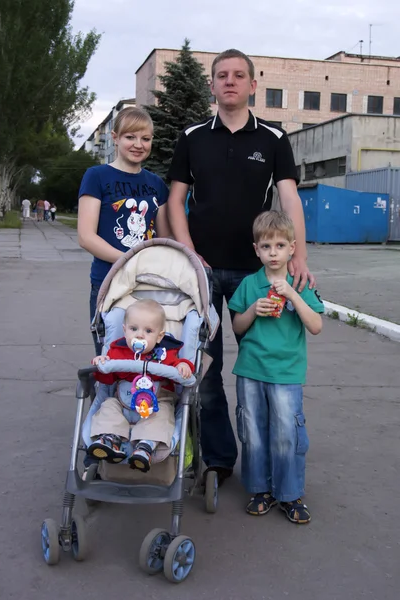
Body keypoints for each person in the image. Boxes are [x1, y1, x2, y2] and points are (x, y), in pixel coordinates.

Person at [167, 48, 316, 487]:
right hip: (204, 272)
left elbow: (289, 199)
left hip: (259, 274)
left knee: (264, 368)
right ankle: (218, 460)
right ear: (212, 86)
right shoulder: (193, 137)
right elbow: (176, 200)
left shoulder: (273, 139)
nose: (229, 81)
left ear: (253, 84)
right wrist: (190, 251)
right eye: (221, 76)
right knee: (206, 371)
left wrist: (300, 256)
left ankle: (273, 460)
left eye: (238, 75)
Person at [228, 211, 323, 523]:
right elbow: (238, 327)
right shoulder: (248, 285)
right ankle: (259, 489)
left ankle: (290, 493)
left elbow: (316, 325)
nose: (273, 253)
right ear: (257, 250)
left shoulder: (300, 283)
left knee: (286, 434)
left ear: (292, 248)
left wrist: (292, 294)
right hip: (251, 370)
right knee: (253, 432)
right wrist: (255, 309)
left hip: (286, 373)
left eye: (280, 246)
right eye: (266, 246)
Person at [78, 107, 171, 356]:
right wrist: (128, 260)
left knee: (149, 362)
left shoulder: (156, 184)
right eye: (130, 137)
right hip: (109, 283)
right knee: (112, 358)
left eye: (146, 138)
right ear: (115, 137)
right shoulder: (96, 176)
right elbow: (86, 237)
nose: (138, 144)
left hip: (148, 285)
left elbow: (164, 239)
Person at [88, 299, 194, 472]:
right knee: (108, 406)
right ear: (124, 330)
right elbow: (106, 380)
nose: (139, 335)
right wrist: (102, 364)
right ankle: (110, 439)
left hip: (155, 405)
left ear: (160, 336)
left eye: (148, 331)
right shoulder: (117, 351)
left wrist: (183, 367)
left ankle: (145, 446)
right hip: (123, 402)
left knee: (163, 415)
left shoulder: (165, 354)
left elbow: (179, 369)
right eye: (133, 329)